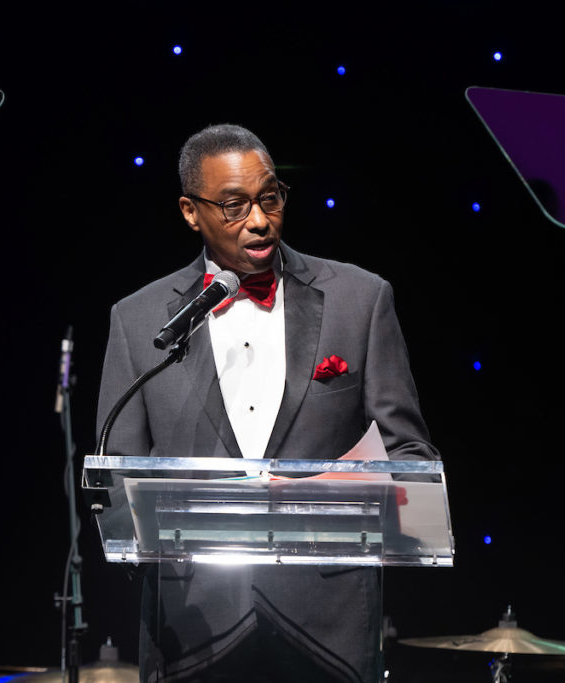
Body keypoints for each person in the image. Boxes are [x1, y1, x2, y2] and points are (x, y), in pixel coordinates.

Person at [95, 124, 440, 682]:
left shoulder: (361, 299)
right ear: (191, 211)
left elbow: (412, 456)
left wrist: (330, 491)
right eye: (233, 206)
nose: (259, 221)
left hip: (328, 628)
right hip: (194, 627)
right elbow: (118, 479)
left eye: (270, 198)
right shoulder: (139, 320)